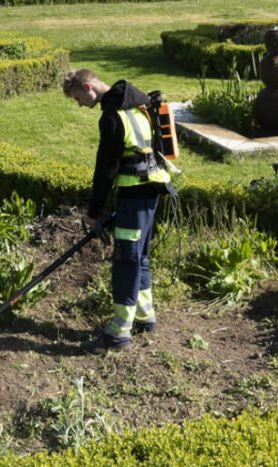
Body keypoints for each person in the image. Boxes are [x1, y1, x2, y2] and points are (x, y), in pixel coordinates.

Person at [63, 69, 173, 354]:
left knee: (126, 260)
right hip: (152, 189)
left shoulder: (113, 116)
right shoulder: (137, 102)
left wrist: (93, 212)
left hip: (134, 196)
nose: (79, 105)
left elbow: (105, 170)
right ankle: (144, 315)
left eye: (77, 98)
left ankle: (118, 331)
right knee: (141, 256)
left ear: (88, 87)